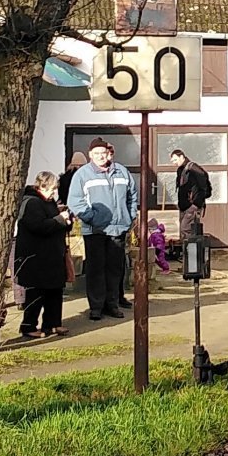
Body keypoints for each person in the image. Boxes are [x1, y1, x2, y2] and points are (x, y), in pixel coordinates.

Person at [70, 136, 137, 320]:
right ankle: (96, 307)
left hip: (118, 229)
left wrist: (130, 216)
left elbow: (132, 196)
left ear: (109, 153)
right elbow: (75, 202)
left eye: (103, 153)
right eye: (96, 153)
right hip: (95, 231)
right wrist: (92, 218)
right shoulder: (82, 175)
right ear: (90, 154)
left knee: (114, 270)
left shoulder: (122, 172)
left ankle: (112, 304)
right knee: (95, 269)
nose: (100, 156)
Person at [13, 170, 72, 339]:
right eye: (52, 189)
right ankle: (28, 325)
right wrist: (60, 219)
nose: (54, 193)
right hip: (36, 258)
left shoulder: (49, 202)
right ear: (42, 186)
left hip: (52, 256)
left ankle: (52, 323)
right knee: (36, 294)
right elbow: (39, 226)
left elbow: (55, 224)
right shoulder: (31, 202)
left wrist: (66, 221)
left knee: (55, 292)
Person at [169, 148, 212, 242]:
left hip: (192, 206)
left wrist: (196, 204)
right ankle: (185, 253)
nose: (174, 163)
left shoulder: (193, 168)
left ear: (182, 157)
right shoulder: (181, 170)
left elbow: (204, 186)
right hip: (184, 206)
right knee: (183, 231)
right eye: (172, 161)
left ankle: (190, 253)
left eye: (175, 160)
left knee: (186, 229)